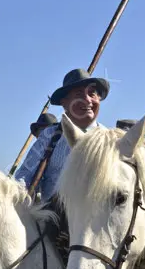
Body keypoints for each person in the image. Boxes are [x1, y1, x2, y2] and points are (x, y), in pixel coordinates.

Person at [15, 68, 108, 200]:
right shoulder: (50, 136)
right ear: (65, 103)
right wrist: (17, 196)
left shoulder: (109, 140)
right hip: (52, 218)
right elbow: (24, 178)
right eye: (79, 94)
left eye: (92, 94)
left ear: (98, 99)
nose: (87, 100)